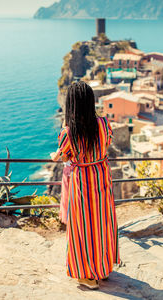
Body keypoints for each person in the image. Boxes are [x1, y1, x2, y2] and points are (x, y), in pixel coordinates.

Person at [50, 81, 120, 290]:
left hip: (82, 182)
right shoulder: (104, 124)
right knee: (102, 223)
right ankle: (103, 268)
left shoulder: (68, 133)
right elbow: (106, 143)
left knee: (83, 228)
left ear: (71, 104)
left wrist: (56, 153)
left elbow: (61, 157)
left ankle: (89, 276)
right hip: (101, 176)